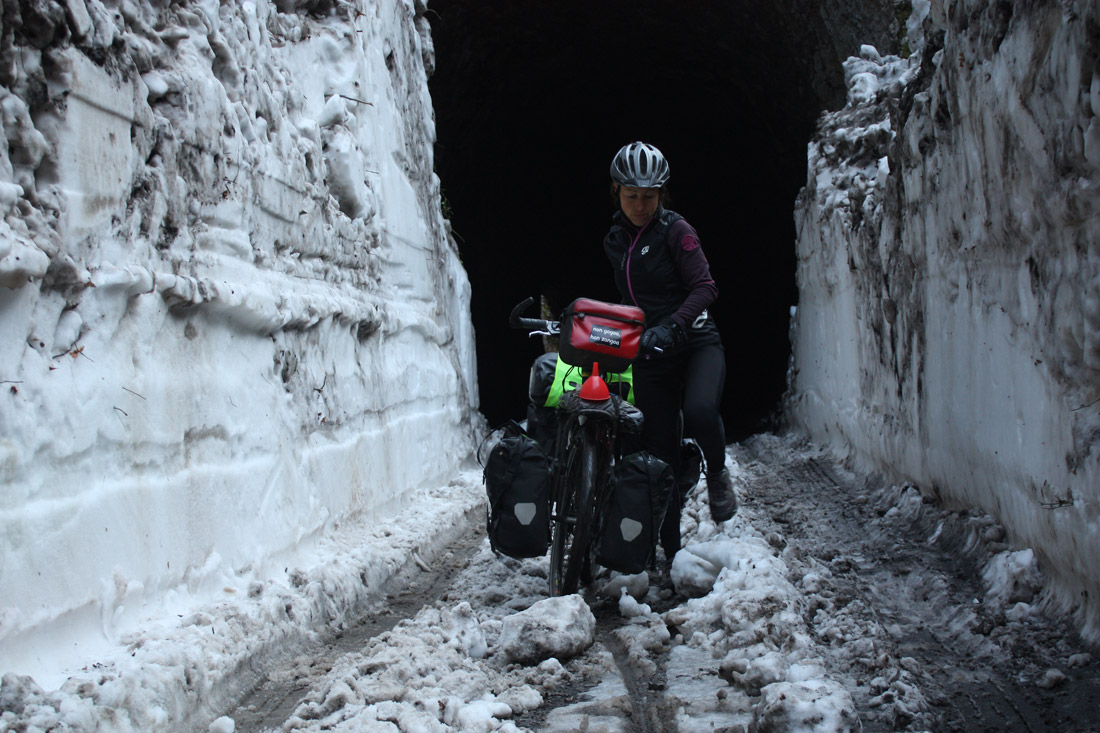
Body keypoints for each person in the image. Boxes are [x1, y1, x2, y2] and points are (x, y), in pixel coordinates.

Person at [602, 141, 736, 560]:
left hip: (695, 341)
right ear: (616, 192)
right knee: (658, 456)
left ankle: (716, 473)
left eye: (649, 196)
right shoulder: (614, 241)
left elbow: (706, 287)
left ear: (662, 195)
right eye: (631, 196)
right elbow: (630, 300)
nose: (640, 205)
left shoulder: (677, 231)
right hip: (652, 353)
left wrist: (673, 325)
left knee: (697, 411)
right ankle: (670, 549)